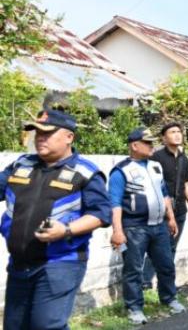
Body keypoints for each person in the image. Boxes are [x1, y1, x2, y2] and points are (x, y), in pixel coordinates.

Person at [0, 109, 112, 330]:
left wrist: (66, 230)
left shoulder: (85, 172)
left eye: (47, 133)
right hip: (19, 264)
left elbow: (101, 214)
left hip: (60, 263)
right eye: (37, 133)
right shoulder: (21, 165)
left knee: (46, 326)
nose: (40, 138)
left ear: (69, 137)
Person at [109, 127, 185, 324]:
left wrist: (171, 218)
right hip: (134, 228)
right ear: (135, 145)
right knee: (134, 269)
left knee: (166, 265)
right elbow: (114, 204)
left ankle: (169, 298)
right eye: (148, 143)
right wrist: (117, 231)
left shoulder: (155, 166)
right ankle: (134, 308)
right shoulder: (121, 171)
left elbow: (164, 194)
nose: (152, 146)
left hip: (159, 227)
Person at [143, 122, 188, 290]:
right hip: (162, 211)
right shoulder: (156, 158)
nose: (177, 134)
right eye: (172, 132)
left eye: (179, 132)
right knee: (158, 247)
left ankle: (165, 282)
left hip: (180, 209)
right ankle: (145, 281)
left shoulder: (183, 158)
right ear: (164, 138)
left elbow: (187, 184)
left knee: (172, 247)